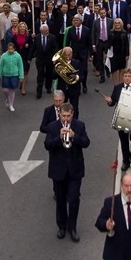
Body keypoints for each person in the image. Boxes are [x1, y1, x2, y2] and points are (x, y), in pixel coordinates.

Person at [43, 103, 91, 242]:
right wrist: (59, 137)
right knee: (61, 200)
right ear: (60, 115)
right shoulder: (52, 127)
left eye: (68, 116)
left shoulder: (79, 126)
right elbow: (47, 145)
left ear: (72, 114)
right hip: (59, 169)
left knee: (74, 199)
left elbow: (86, 143)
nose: (66, 119)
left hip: (75, 169)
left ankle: (73, 227)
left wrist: (74, 136)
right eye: (63, 116)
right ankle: (62, 226)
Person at [105, 69, 131, 172]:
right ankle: (126, 161)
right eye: (125, 76)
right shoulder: (118, 88)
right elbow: (113, 102)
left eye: (129, 76)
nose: (127, 78)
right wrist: (109, 101)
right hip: (121, 119)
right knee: (124, 141)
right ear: (123, 77)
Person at [53, 46, 81, 118]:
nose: (68, 57)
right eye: (66, 55)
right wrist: (57, 69)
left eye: (69, 55)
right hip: (62, 89)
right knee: (61, 108)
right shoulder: (59, 64)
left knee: (74, 108)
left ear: (72, 54)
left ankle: (74, 123)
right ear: (63, 55)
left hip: (74, 89)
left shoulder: (77, 63)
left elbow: (82, 76)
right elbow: (53, 76)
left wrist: (75, 77)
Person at [32, 24, 58, 99]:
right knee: (40, 75)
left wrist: (55, 58)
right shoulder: (37, 38)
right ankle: (39, 92)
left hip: (49, 59)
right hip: (40, 59)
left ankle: (48, 87)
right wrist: (29, 58)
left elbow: (55, 47)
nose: (47, 31)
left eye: (48, 30)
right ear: (41, 31)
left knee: (49, 74)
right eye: (46, 30)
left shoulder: (52, 37)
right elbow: (33, 48)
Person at [0, 42, 25, 112]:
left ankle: (11, 104)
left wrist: (21, 76)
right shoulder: (4, 55)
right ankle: (7, 98)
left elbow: (20, 66)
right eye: (9, 49)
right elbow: (1, 65)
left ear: (14, 49)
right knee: (5, 90)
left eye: (12, 49)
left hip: (14, 75)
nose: (10, 50)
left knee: (12, 90)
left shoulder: (18, 56)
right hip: (5, 75)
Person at [92, 8, 114, 83]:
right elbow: (93, 34)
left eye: (104, 13)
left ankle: (108, 70)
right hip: (100, 42)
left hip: (108, 42)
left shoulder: (110, 21)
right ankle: (102, 76)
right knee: (100, 59)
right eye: (101, 13)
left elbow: (112, 32)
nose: (103, 14)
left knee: (108, 57)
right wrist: (93, 45)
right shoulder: (96, 22)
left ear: (106, 13)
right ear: (99, 14)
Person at [108, 18, 130, 84]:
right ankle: (116, 85)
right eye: (116, 23)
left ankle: (121, 85)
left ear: (121, 24)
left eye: (118, 23)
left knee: (122, 69)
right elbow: (108, 43)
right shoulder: (111, 32)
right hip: (113, 54)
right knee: (114, 70)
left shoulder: (124, 32)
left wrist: (127, 54)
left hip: (122, 54)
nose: (117, 24)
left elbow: (127, 44)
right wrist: (106, 52)